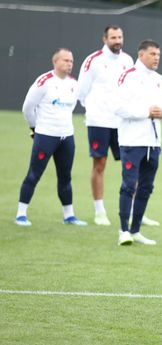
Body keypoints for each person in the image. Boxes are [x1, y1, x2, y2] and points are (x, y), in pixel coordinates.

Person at [15, 48, 87, 227]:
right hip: (46, 136)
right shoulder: (44, 81)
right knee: (34, 174)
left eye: (71, 61)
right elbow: (27, 108)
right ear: (55, 62)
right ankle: (21, 214)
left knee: (65, 177)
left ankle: (69, 215)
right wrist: (35, 128)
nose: (69, 64)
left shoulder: (74, 84)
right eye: (65, 61)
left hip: (66, 137)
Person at [113, 39, 162, 246]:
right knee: (129, 185)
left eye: (158, 54)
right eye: (153, 54)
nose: (157, 57)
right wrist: (145, 113)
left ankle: (136, 230)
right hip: (132, 141)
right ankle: (123, 231)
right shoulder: (128, 76)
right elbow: (118, 107)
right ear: (141, 55)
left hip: (154, 144)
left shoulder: (160, 80)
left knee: (146, 187)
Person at [78, 25, 134, 226]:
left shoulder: (128, 60)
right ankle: (99, 211)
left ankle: (135, 210)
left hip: (121, 121)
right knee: (99, 164)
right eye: (113, 37)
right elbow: (81, 91)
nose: (117, 40)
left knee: (130, 165)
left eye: (120, 36)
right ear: (105, 39)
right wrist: (95, 110)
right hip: (99, 121)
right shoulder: (93, 61)